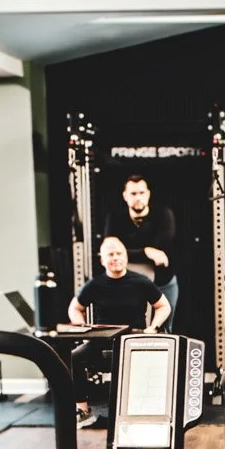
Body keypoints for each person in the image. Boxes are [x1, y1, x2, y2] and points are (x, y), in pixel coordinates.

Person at [68, 234, 170, 423]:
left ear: (126, 257)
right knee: (75, 357)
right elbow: (75, 308)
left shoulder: (141, 281)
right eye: (110, 254)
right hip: (101, 341)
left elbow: (164, 306)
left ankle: (141, 412)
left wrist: (154, 327)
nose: (115, 258)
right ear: (102, 260)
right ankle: (82, 410)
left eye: (119, 253)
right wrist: (83, 330)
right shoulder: (95, 284)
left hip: (133, 341)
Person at [109, 174, 179, 322]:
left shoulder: (163, 215)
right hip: (130, 286)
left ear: (148, 194)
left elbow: (160, 248)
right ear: (125, 196)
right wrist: (146, 252)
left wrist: (126, 252)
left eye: (141, 193)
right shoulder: (115, 217)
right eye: (133, 193)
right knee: (133, 329)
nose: (138, 197)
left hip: (162, 282)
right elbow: (108, 250)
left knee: (164, 330)